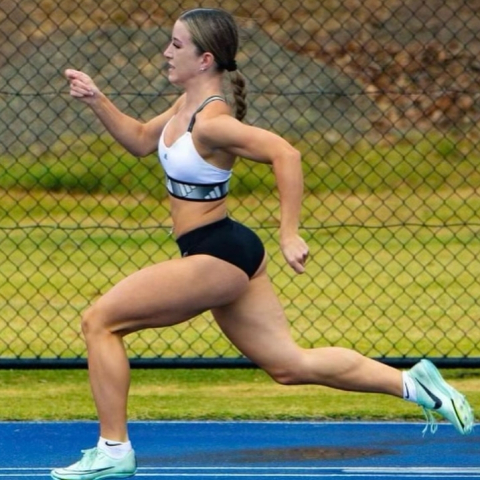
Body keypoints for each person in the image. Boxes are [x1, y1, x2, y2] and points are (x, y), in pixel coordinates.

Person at [52, 7, 474, 480]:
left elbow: (284, 153)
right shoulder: (181, 110)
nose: (166, 53)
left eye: (176, 45)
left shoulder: (211, 122)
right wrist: (96, 98)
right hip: (229, 251)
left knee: (100, 322)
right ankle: (415, 385)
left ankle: (113, 450)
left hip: (219, 254)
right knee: (289, 365)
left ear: (205, 59)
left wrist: (289, 232)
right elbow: (138, 139)